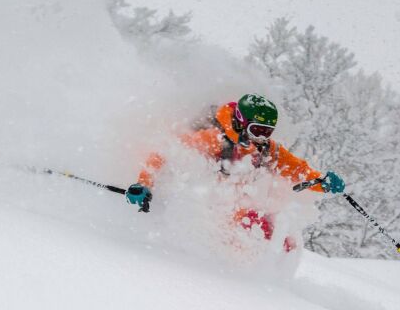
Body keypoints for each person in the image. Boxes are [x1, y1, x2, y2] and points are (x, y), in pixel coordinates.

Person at [124, 93, 345, 250]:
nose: (261, 138)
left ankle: (268, 285)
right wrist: (143, 183)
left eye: (267, 132)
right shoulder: (214, 139)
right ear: (241, 121)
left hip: (236, 205)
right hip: (204, 203)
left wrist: (321, 181)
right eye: (256, 130)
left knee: (281, 240)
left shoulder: (265, 148)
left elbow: (296, 169)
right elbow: (164, 151)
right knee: (250, 235)